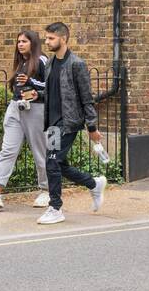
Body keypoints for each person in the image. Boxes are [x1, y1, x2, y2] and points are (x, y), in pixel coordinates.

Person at [38, 22, 106, 225]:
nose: (47, 41)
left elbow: (87, 98)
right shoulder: (50, 63)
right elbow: (52, 93)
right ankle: (93, 183)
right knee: (58, 163)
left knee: (52, 162)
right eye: (47, 38)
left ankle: (55, 207)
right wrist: (36, 94)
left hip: (68, 122)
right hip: (52, 123)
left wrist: (92, 127)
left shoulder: (77, 64)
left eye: (51, 38)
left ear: (63, 39)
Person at [0, 30, 52, 210]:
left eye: (24, 41)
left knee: (40, 152)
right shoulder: (21, 62)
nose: (20, 44)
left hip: (36, 109)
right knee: (8, 150)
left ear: (33, 43)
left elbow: (52, 85)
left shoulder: (42, 60)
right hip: (16, 108)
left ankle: (47, 191)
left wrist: (32, 81)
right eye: (18, 41)